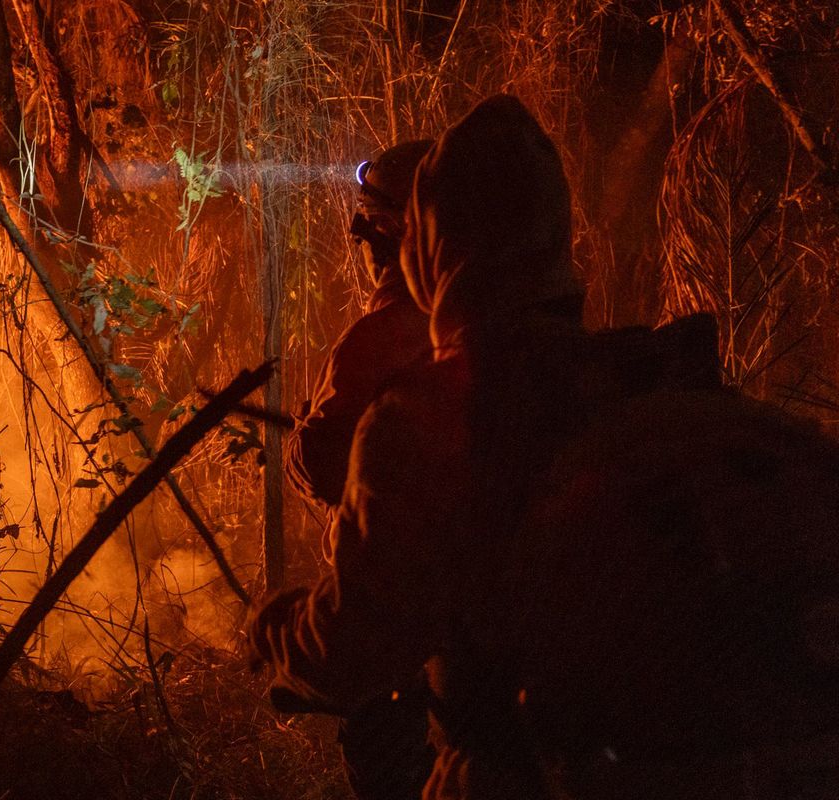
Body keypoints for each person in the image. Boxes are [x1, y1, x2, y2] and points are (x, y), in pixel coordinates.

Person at [251, 93, 839, 800]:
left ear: (430, 248)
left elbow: (358, 645)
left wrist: (279, 633)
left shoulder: (427, 417)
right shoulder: (647, 383)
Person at [281, 139, 437, 800]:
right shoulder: (491, 328)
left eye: (373, 218)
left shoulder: (381, 339)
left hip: (396, 618)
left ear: (410, 230)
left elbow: (320, 464)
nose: (357, 233)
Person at [284, 139, 434, 508]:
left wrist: (306, 431)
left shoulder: (380, 338)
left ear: (382, 230)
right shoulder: (486, 323)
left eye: (366, 225)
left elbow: (322, 472)